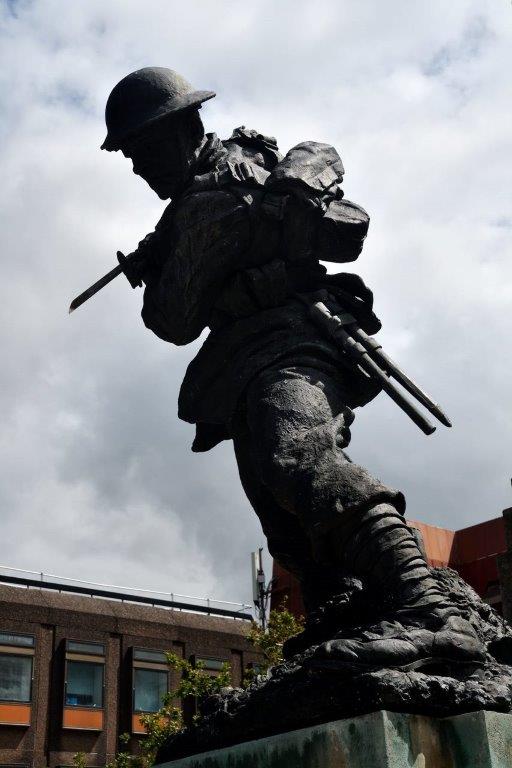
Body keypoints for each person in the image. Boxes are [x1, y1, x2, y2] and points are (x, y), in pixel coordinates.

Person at [101, 67, 484, 665]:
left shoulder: (236, 188)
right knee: (279, 511)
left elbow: (176, 318)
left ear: (183, 130)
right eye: (130, 157)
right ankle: (345, 611)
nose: (137, 169)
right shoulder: (199, 207)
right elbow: (177, 319)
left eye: (142, 151)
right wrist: (165, 254)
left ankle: (429, 608)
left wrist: (198, 248)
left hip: (295, 342)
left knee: (300, 460)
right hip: (241, 363)